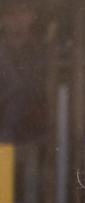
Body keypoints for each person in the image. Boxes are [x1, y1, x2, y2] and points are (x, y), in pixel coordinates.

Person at [0, 0, 46, 144]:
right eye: (11, 14)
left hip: (36, 137)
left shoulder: (44, 54)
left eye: (23, 12)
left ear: (32, 16)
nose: (17, 20)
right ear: (2, 19)